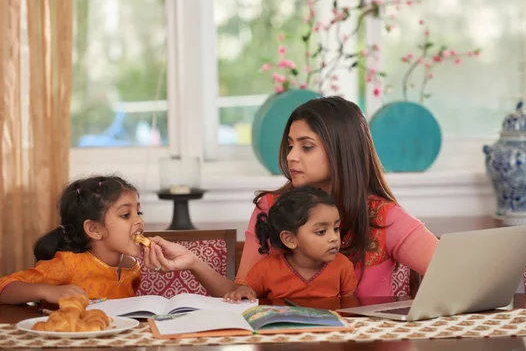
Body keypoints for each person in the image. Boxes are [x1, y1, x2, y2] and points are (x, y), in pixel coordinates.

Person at [145, 96, 439, 298]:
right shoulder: (270, 209)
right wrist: (195, 262)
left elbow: (454, 275)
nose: (291, 156)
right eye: (290, 145)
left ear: (342, 150)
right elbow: (242, 296)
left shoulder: (384, 216)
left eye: (306, 147)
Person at [0, 175, 145, 304]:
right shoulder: (69, 265)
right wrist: (47, 291)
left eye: (139, 212)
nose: (139, 220)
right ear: (94, 230)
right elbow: (4, 287)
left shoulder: (132, 267)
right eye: (126, 214)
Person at [223, 185, 357, 302]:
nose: (334, 238)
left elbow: (348, 306)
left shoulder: (342, 266)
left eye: (336, 229)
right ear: (290, 239)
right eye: (321, 232)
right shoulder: (265, 270)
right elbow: (247, 292)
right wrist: (243, 291)